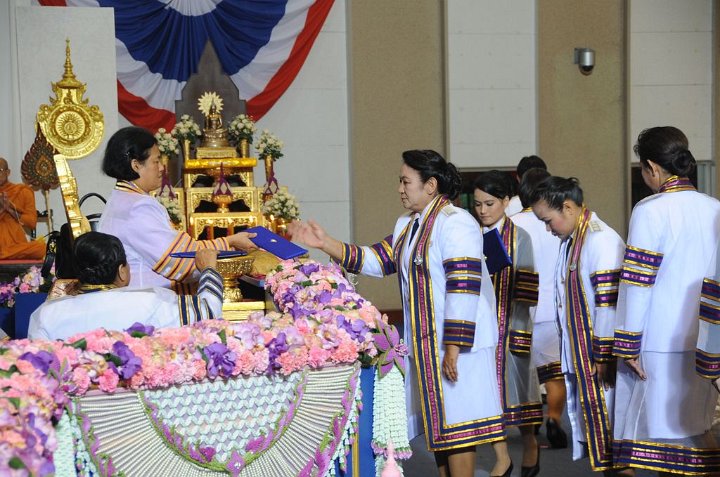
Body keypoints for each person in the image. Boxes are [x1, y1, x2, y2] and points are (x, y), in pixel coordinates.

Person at [290, 150, 508, 477]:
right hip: (427, 343)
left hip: (460, 346)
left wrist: (453, 347)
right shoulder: (409, 224)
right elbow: (377, 260)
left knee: (459, 429)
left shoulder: (457, 222)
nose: (400, 189)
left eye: (406, 181)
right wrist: (326, 243)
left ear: (431, 185)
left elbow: (464, 287)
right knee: (441, 431)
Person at [613, 126, 720, 476]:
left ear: (652, 168)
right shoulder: (713, 207)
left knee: (662, 440)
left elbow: (637, 283)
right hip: (705, 337)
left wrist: (627, 342)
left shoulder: (650, 209)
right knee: (697, 428)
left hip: (659, 340)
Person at [530, 176, 625, 475]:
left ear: (568, 207)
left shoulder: (601, 240)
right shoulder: (573, 240)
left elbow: (608, 306)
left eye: (548, 220)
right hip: (585, 356)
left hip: (600, 359)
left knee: (614, 439)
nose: (547, 228)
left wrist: (604, 356)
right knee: (602, 438)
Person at [98, 127, 255, 292]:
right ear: (136, 165)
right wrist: (229, 242)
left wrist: (229, 242)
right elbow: (178, 259)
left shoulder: (120, 199)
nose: (161, 168)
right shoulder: (138, 207)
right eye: (156, 161)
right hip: (151, 301)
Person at [28, 231, 223, 340]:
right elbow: (208, 312)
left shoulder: (46, 313)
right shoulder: (152, 301)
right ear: (122, 271)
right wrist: (209, 269)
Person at [473, 170, 542, 477]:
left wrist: (520, 331)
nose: (483, 211)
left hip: (513, 326)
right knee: (487, 398)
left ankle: (530, 445)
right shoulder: (471, 235)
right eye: (477, 205)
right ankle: (502, 457)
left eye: (489, 203)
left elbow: (528, 290)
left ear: (504, 201)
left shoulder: (520, 237)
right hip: (482, 329)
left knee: (519, 393)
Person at [510, 167, 569, 449]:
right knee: (553, 374)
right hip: (554, 310)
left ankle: (530, 431)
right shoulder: (559, 222)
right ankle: (555, 418)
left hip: (522, 310)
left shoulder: (512, 224)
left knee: (525, 376)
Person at [0, 156, 45, 260]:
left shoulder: (22, 191)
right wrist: (2, 209)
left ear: (8, 172)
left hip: (16, 245)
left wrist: (10, 210)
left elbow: (31, 222)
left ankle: (4, 255)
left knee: (40, 248)